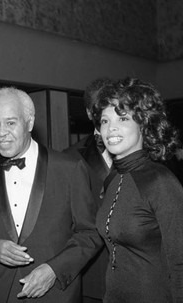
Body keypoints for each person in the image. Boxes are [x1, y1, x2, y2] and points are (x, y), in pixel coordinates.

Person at [0, 87, 102, 303]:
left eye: (10, 123)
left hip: (54, 294)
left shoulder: (69, 168)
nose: (0, 132)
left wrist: (54, 270)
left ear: (29, 123)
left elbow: (90, 232)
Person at [92, 78, 183, 302]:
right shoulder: (113, 178)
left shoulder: (161, 182)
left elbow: (181, 266)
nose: (111, 129)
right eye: (104, 121)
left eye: (122, 118)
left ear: (143, 124)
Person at [63, 77, 115, 303]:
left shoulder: (141, 148)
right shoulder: (69, 158)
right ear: (88, 112)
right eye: (99, 107)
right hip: (95, 272)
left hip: (138, 270)